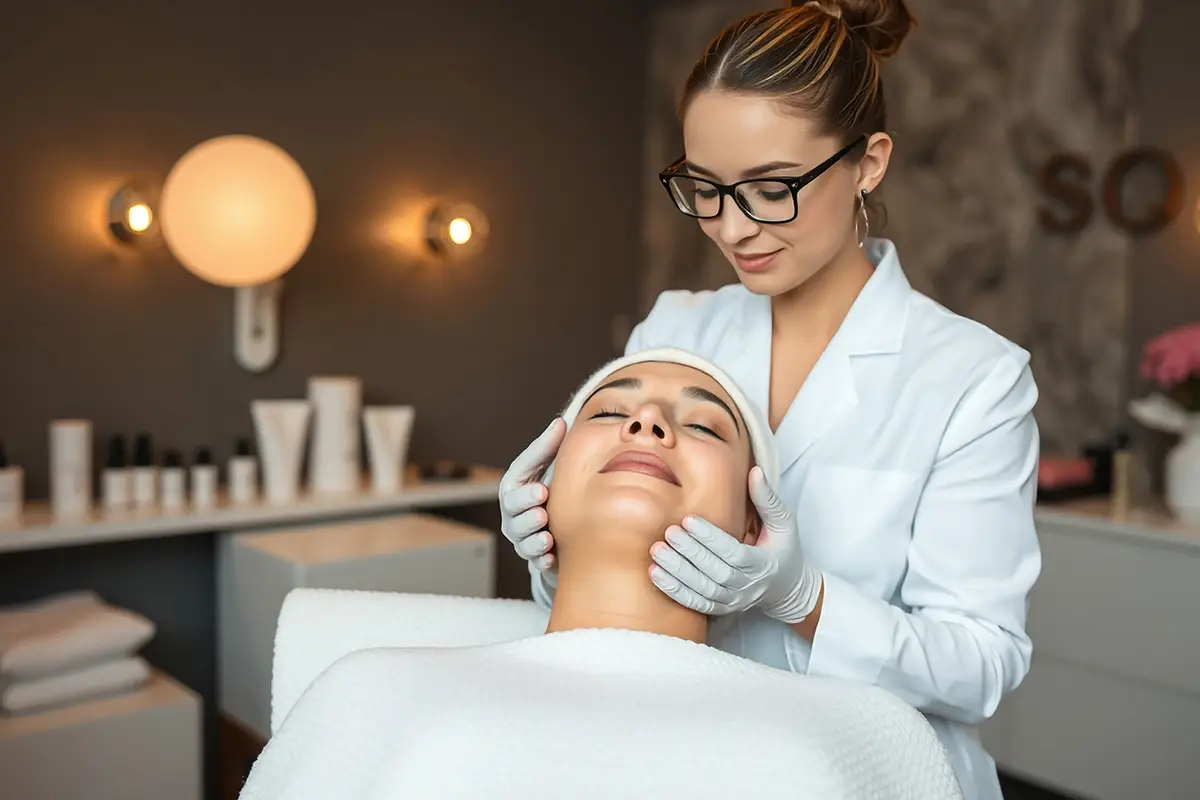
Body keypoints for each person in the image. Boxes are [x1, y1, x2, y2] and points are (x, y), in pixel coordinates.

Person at [498, 3, 1041, 799]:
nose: (731, 227)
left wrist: (803, 597)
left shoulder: (972, 377)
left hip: (866, 772)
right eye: (705, 188)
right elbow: (615, 598)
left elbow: (984, 667)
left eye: (772, 188)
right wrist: (553, 550)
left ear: (868, 163)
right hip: (685, 756)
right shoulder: (676, 330)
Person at [238, 351, 962, 800]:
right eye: (610, 410)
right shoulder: (370, 687)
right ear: (541, 492)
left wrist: (797, 592)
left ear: (755, 527)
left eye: (704, 425)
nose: (646, 423)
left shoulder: (866, 727)